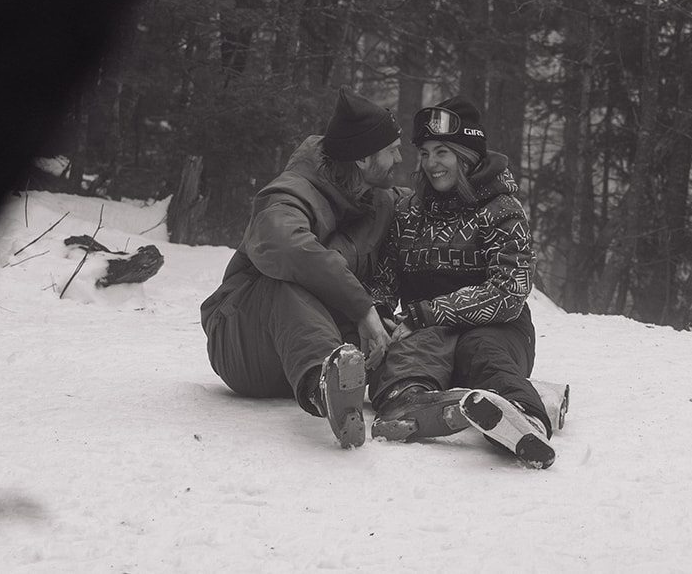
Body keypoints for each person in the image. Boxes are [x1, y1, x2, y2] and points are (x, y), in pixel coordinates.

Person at [200, 88, 405, 448]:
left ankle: (416, 390)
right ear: (361, 159)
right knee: (285, 282)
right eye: (391, 150)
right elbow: (283, 243)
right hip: (243, 340)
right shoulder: (289, 193)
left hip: (308, 343)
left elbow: (438, 207)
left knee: (397, 330)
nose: (400, 158)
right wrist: (362, 307)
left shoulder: (380, 200)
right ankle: (324, 387)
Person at [367, 96, 556, 469]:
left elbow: (509, 291)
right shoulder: (409, 213)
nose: (431, 164)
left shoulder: (502, 211)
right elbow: (385, 278)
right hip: (425, 330)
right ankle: (411, 402)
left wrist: (428, 312)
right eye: (424, 153)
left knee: (481, 353)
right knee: (410, 352)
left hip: (497, 327)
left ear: (466, 154)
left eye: (442, 152)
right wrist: (380, 313)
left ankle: (522, 418)